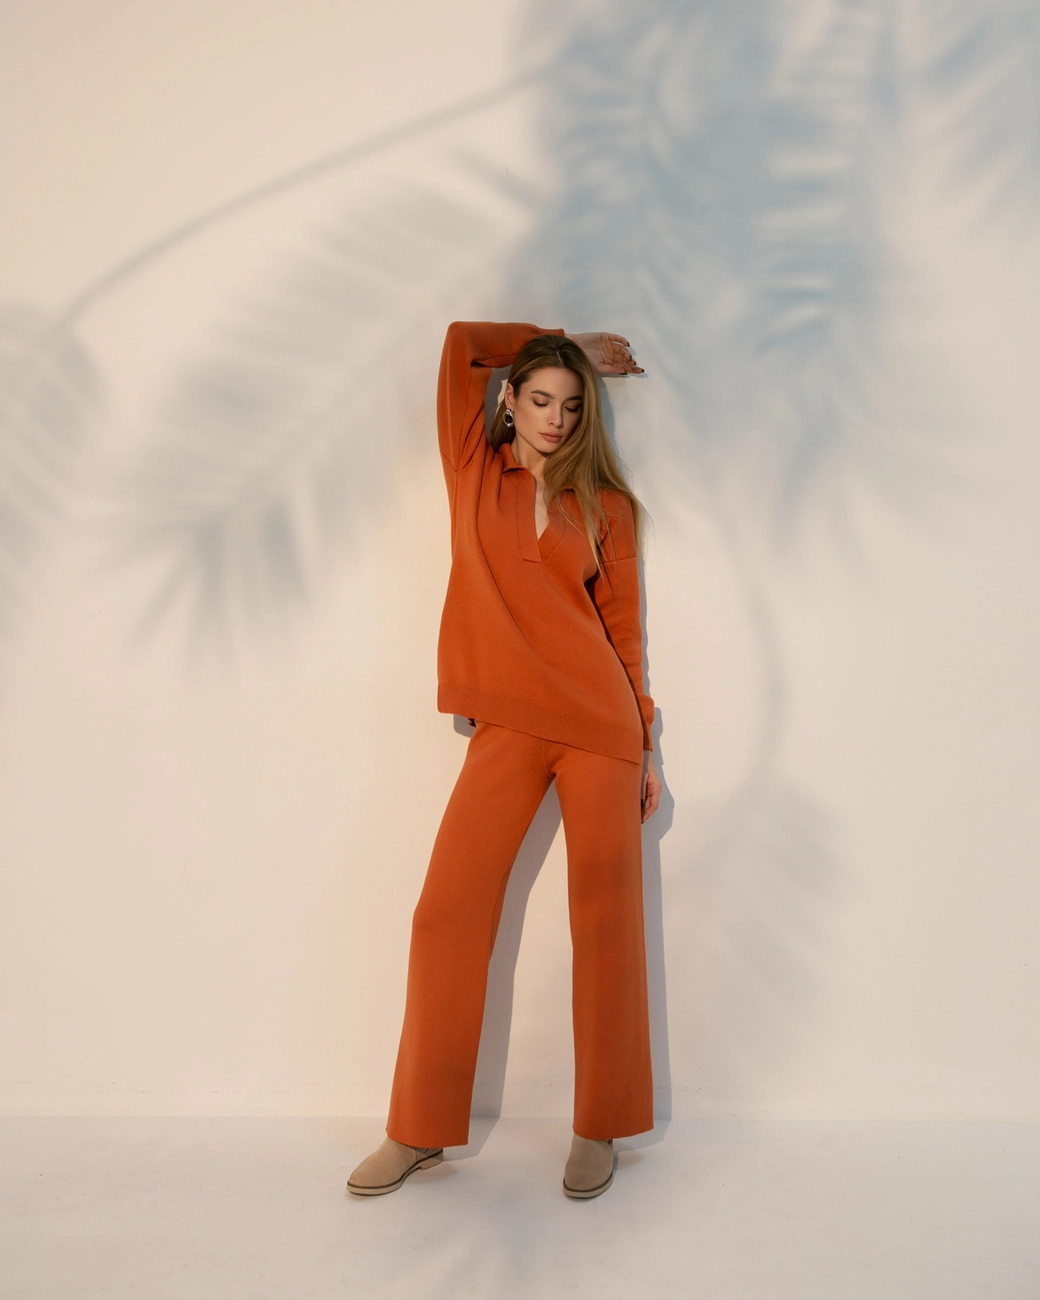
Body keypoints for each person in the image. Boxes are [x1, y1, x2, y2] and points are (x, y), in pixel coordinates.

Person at [347, 320, 661, 1201]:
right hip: (510, 727)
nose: (557, 419)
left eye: (572, 405)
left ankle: (599, 1126)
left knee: (606, 924)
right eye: (541, 399)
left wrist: (645, 745)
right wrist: (563, 340)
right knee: (446, 915)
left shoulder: (607, 506)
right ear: (511, 401)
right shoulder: (474, 470)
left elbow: (624, 634)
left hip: (602, 727)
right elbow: (459, 349)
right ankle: (417, 1131)